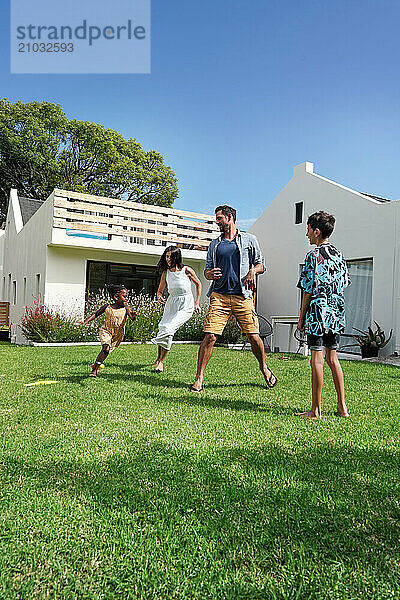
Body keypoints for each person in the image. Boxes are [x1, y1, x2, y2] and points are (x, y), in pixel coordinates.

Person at [190, 205, 277, 392]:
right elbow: (206, 270)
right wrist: (209, 273)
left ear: (230, 217)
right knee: (210, 337)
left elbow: (261, 264)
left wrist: (253, 271)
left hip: (242, 296)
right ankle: (199, 378)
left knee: (254, 337)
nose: (217, 222)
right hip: (219, 297)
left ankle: (264, 368)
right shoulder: (215, 245)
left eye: (219, 218)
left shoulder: (249, 239)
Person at [296, 211, 350, 418]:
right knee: (333, 358)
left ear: (317, 232)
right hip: (336, 313)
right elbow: (343, 284)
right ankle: (342, 406)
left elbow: (308, 289)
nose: (306, 234)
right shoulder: (339, 255)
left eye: (308, 229)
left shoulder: (312, 256)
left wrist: (301, 318)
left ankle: (316, 410)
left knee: (317, 360)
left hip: (318, 314)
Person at [152, 246, 202, 372]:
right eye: (167, 256)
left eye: (170, 256)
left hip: (186, 304)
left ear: (177, 257)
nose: (168, 259)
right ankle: (158, 359)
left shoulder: (186, 270)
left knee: (169, 329)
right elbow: (160, 291)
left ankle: (162, 362)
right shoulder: (166, 273)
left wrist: (197, 303)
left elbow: (198, 284)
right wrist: (159, 297)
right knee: (163, 327)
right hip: (171, 303)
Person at [82, 284, 137, 377]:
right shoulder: (107, 307)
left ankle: (95, 365)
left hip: (117, 335)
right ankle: (94, 370)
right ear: (116, 297)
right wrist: (86, 321)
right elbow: (96, 314)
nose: (126, 298)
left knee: (106, 351)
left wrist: (134, 316)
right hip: (106, 331)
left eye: (127, 296)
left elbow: (131, 317)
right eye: (124, 296)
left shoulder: (126, 308)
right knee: (106, 349)